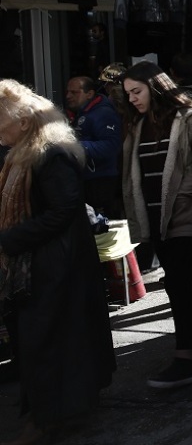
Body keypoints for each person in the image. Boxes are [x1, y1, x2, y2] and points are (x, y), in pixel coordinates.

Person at [0, 79, 115, 444]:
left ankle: (50, 418)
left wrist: (9, 239)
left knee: (47, 343)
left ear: (23, 123)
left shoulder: (50, 154)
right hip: (46, 262)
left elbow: (63, 210)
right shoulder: (25, 150)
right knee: (47, 342)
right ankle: (54, 411)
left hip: (56, 267)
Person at [120, 61, 192, 388]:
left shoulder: (190, 119)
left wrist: (178, 191)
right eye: (128, 94)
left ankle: (185, 358)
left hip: (188, 216)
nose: (133, 98)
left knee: (176, 281)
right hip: (156, 220)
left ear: (155, 87)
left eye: (137, 91)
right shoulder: (138, 125)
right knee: (181, 280)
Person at [64, 76, 124, 219]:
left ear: (89, 94)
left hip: (101, 180)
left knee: (103, 225)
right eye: (68, 92)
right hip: (87, 178)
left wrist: (74, 146)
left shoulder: (103, 113)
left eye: (74, 92)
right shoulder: (82, 113)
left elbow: (111, 146)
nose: (68, 96)